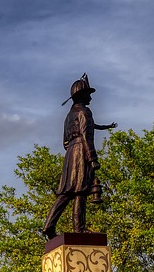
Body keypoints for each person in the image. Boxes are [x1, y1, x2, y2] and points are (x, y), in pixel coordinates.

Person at [41, 74, 117, 239]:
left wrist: (72, 153)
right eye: (88, 94)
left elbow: (65, 142)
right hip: (82, 152)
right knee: (80, 191)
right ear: (81, 95)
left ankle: (49, 225)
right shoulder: (85, 111)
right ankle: (79, 229)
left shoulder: (69, 116)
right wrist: (92, 158)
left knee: (67, 193)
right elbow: (86, 135)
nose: (90, 97)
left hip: (70, 155)